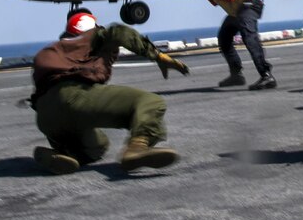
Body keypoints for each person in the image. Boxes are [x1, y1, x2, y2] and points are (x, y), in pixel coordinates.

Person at [30, 10, 190, 175]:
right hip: (74, 96)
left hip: (45, 116)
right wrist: (157, 56)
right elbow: (118, 31)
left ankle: (65, 154)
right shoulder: (94, 37)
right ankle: (138, 148)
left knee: (99, 145)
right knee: (151, 102)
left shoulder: (55, 50)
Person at [191, 0, 275, 90]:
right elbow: (214, 2)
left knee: (249, 37)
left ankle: (266, 75)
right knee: (224, 38)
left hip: (250, 4)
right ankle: (236, 75)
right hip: (238, 10)